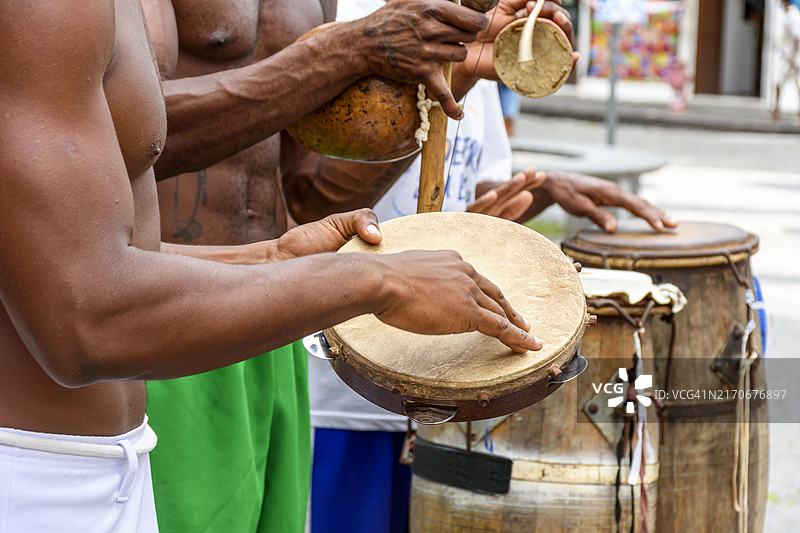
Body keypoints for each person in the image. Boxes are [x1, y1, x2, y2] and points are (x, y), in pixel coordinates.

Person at [0, 1, 544, 531]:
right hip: (87, 416)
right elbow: (86, 315)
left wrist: (270, 257)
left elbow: (308, 193)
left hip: (237, 335)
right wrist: (376, 279)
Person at [307, 2, 678, 533]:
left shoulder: (475, 57)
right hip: (352, 393)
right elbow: (309, 198)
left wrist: (542, 191)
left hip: (456, 381)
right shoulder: (362, 21)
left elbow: (480, 201)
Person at [773, 0, 800, 121]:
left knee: (793, 84)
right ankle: (776, 112)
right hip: (789, 56)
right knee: (780, 82)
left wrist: (793, 57)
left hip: (793, 58)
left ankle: (777, 112)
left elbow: (796, 38)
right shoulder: (786, 14)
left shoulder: (793, 15)